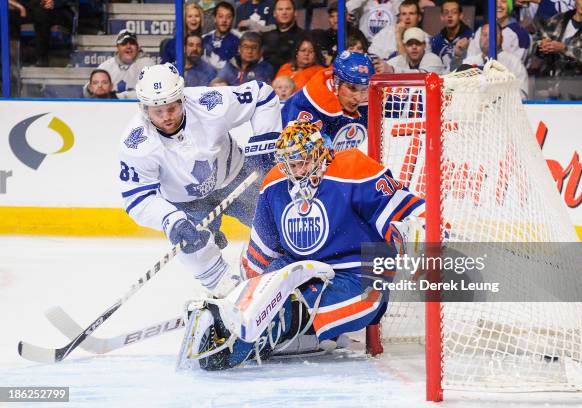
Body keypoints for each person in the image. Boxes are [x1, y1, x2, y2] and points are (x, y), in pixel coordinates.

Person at [177, 120, 424, 371]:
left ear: (321, 153)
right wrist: (238, 293)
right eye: (290, 165)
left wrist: (413, 238)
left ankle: (263, 334)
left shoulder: (352, 169)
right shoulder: (276, 182)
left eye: (303, 162)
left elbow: (408, 216)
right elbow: (263, 250)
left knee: (292, 306)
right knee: (263, 290)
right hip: (296, 269)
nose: (297, 172)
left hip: (358, 275)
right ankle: (236, 323)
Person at [118, 63, 281, 298]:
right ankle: (226, 290)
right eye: (157, 111)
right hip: (187, 204)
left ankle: (289, 276)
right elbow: (138, 199)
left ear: (181, 98)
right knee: (188, 244)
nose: (166, 117)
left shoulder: (209, 103)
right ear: (144, 109)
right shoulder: (136, 143)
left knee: (277, 224)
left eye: (171, 107)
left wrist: (265, 150)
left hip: (237, 178)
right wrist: (172, 221)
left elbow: (261, 95)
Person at [281, 51, 374, 152]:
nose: (358, 98)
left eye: (364, 89)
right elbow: (298, 157)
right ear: (336, 82)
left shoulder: (369, 95)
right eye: (352, 88)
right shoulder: (310, 102)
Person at [531, 0, 582, 78]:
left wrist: (564, 49)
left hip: (578, 85)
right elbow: (535, 41)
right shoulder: (558, 18)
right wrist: (541, 45)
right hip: (546, 83)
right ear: (575, 1)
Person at [463, 23, 528, 98]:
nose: (488, 38)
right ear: (479, 38)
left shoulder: (514, 63)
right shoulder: (469, 63)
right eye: (484, 35)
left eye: (493, 34)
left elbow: (523, 95)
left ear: (502, 38)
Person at [466, 0, 531, 63]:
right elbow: (470, 59)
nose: (498, 5)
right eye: (495, 1)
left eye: (503, 1)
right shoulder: (481, 30)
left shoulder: (520, 34)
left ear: (510, 5)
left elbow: (514, 67)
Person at [96, 30, 155, 98]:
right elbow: (90, 91)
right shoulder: (105, 66)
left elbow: (152, 92)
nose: (128, 46)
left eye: (132, 43)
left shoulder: (148, 65)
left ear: (138, 47)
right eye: (124, 44)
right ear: (117, 47)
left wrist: (119, 97)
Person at [375, 27, 445, 74]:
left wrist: (393, 70)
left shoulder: (433, 59)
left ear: (424, 45)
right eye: (410, 44)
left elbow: (422, 77)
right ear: (404, 46)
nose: (414, 47)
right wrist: (380, 66)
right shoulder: (400, 59)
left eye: (418, 43)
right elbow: (386, 67)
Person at [262, 0, 306, 73]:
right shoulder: (266, 37)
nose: (284, 13)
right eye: (280, 9)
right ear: (274, 14)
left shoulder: (304, 37)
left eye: (288, 9)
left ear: (295, 13)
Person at [430, 0, 473, 73]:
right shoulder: (435, 41)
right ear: (442, 17)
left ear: (461, 15)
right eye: (446, 12)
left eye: (454, 12)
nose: (449, 16)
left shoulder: (471, 38)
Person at [28, 0, 74, 67]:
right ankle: (41, 58)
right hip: (40, 10)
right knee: (41, 15)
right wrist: (42, 3)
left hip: (61, 10)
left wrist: (54, 3)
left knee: (41, 16)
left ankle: (42, 57)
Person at [202, 2, 241, 71]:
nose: (224, 20)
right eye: (220, 16)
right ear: (214, 18)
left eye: (228, 17)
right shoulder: (204, 39)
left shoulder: (240, 39)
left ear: (233, 19)